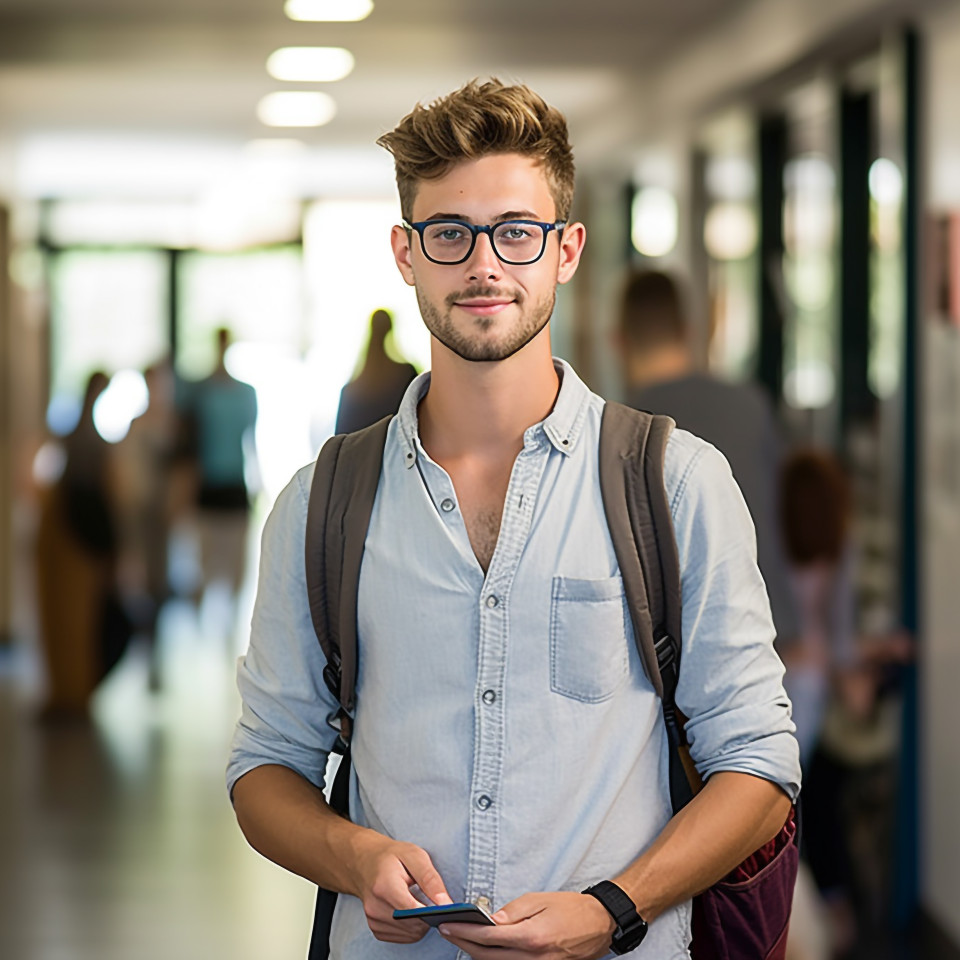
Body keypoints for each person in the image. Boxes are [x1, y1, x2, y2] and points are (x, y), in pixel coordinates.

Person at [228, 79, 799, 959]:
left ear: (565, 250)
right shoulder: (322, 504)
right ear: (406, 252)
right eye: (449, 233)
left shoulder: (675, 484)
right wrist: (354, 854)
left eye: (516, 232)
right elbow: (266, 766)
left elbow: (759, 765)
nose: (484, 265)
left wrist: (614, 908)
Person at [619, 269, 799, 647]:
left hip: (677, 653)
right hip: (768, 627)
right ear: (689, 331)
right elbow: (784, 519)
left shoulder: (618, 432)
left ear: (617, 341)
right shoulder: (751, 407)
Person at [34, 371, 130, 719]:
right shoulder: (83, 440)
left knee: (80, 624)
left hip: (82, 539)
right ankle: (68, 694)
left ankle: (73, 693)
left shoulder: (83, 439)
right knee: (72, 624)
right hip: (78, 538)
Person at [179, 327, 258, 623]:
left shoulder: (244, 394)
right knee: (205, 564)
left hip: (234, 484)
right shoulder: (201, 394)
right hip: (208, 486)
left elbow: (249, 442)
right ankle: (201, 631)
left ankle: (228, 628)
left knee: (235, 566)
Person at [335, 308, 418, 434]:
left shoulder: (351, 391)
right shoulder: (406, 374)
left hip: (362, 453)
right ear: (390, 329)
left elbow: (341, 439)